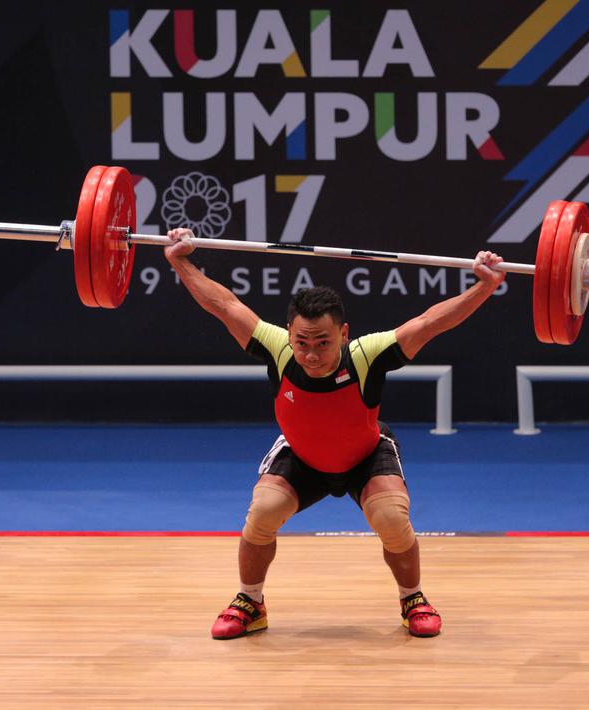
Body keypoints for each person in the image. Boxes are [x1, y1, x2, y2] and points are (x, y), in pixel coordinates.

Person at [164, 227, 505, 639]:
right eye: (301, 341)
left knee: (392, 519)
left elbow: (431, 322)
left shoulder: (367, 355)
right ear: (289, 333)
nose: (310, 354)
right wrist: (180, 262)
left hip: (365, 454)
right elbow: (223, 304)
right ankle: (249, 602)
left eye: (323, 343)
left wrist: (484, 287)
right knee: (263, 513)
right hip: (303, 457)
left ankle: (412, 598)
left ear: (343, 335)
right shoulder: (277, 348)